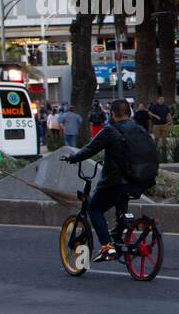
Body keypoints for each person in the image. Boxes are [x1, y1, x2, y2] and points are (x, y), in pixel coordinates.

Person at [65, 99, 160, 261]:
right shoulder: (139, 129)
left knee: (94, 209)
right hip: (140, 180)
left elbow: (90, 149)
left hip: (116, 182)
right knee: (121, 210)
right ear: (129, 114)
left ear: (112, 114)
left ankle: (107, 247)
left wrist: (72, 158)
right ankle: (120, 233)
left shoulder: (110, 131)